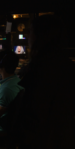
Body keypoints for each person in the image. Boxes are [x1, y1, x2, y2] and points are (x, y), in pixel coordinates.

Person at [15, 15, 75, 149]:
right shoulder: (66, 64)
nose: (28, 36)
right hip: (63, 138)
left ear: (40, 35)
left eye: (30, 31)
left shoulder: (40, 68)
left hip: (42, 140)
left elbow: (33, 114)